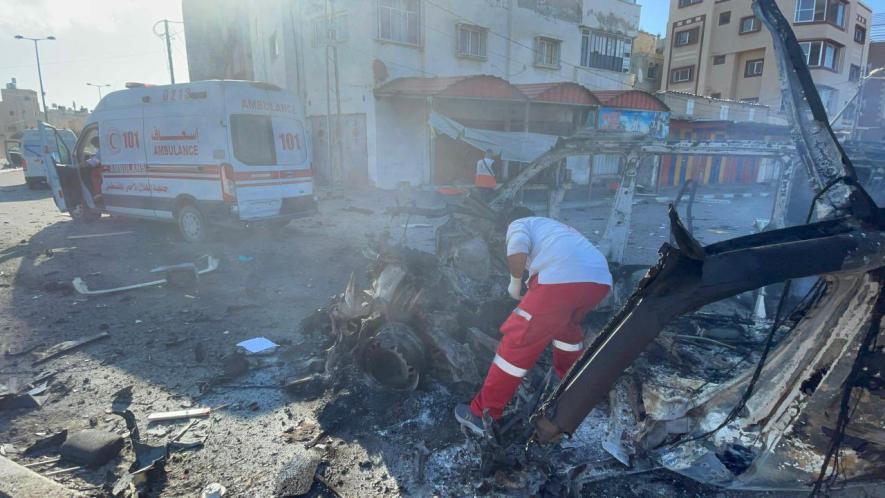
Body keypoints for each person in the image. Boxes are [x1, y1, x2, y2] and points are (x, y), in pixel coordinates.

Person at [454, 206, 612, 434]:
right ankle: (574, 389)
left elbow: (517, 246)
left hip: (561, 281)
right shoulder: (555, 228)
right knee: (567, 331)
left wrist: (515, 281)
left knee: (517, 343)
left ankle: (482, 414)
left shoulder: (520, 223)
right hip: (598, 281)